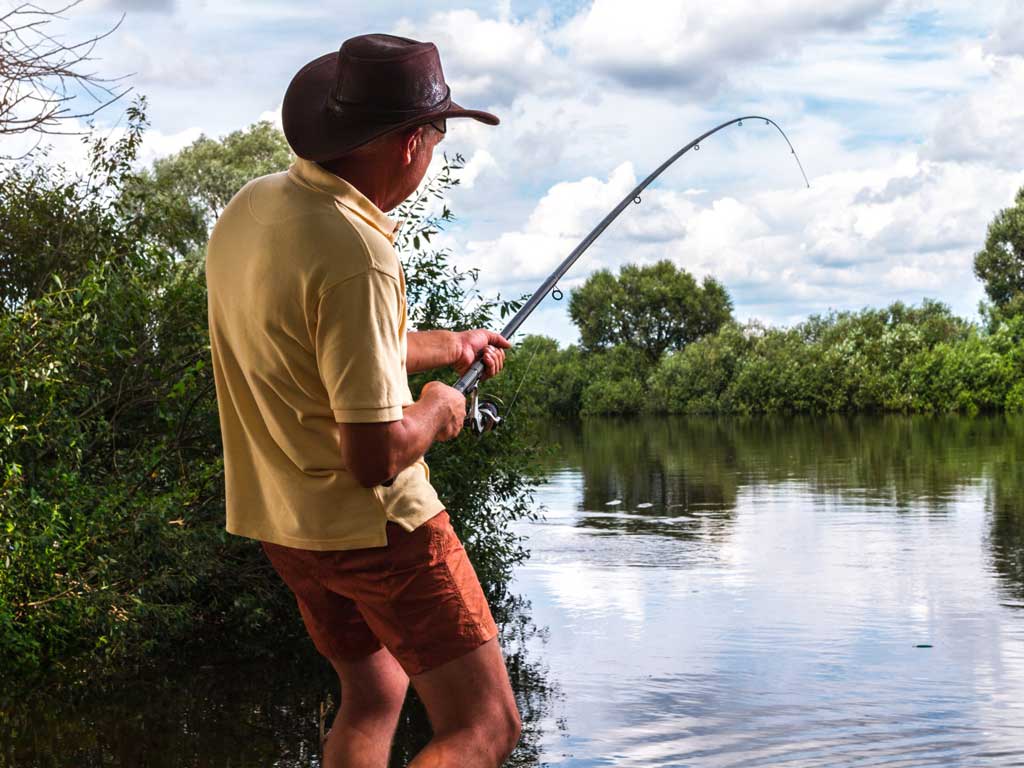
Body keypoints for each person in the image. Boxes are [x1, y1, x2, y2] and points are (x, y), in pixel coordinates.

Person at [205, 33, 520, 768]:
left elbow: (327, 344)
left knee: (375, 692)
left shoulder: (254, 210)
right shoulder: (358, 252)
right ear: (411, 144)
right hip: (381, 531)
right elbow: (374, 454)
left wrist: (452, 345)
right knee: (485, 727)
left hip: (286, 525)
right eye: (437, 140)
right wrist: (442, 411)